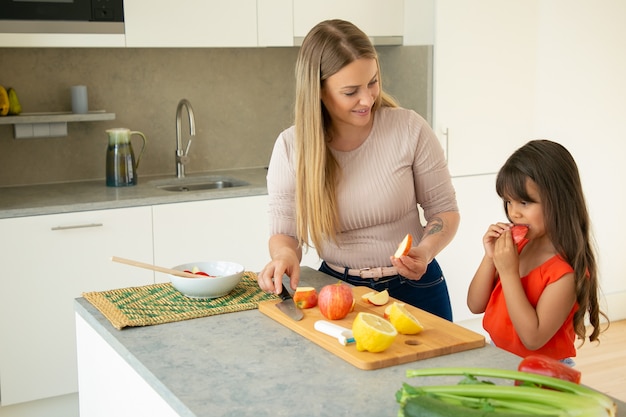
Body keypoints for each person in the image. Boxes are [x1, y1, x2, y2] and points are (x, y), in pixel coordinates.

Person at [256, 19, 460, 321]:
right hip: (337, 290)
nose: (367, 99)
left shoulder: (409, 128)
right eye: (351, 91)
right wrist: (284, 255)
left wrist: (427, 250)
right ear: (319, 92)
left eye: (373, 82)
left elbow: (444, 211)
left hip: (417, 288)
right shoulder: (291, 147)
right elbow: (285, 233)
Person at [467, 139, 606, 361]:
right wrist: (490, 257)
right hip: (499, 355)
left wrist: (509, 272)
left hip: (544, 372)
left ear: (559, 201)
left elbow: (533, 339)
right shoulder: (519, 246)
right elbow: (475, 305)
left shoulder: (564, 273)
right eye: (508, 202)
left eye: (524, 203)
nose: (513, 213)